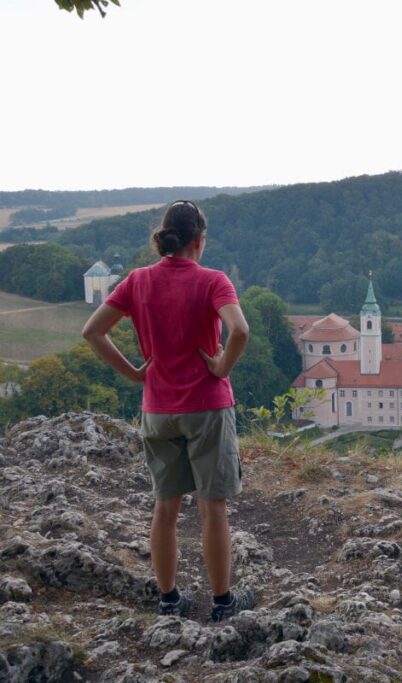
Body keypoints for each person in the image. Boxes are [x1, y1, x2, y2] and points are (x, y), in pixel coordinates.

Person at [82, 200, 254, 622]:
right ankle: (221, 603)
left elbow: (93, 331)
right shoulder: (214, 281)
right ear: (200, 241)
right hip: (208, 408)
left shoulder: (138, 280)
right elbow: (241, 330)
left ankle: (169, 599)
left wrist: (135, 374)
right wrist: (220, 366)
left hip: (157, 409)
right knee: (212, 509)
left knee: (165, 508)